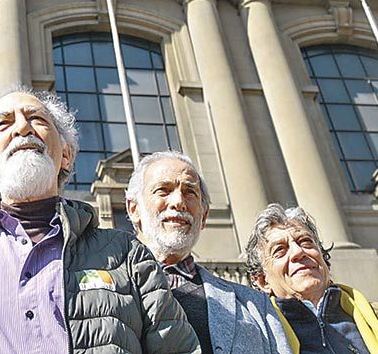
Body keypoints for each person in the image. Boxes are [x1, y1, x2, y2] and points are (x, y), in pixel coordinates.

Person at [0, 86, 199, 354]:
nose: (22, 128)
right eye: (4, 123)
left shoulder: (127, 256)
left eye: (37, 119)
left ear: (66, 154)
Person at [125, 151, 292, 354]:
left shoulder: (257, 306)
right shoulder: (96, 294)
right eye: (163, 190)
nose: (178, 202)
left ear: (203, 216)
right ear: (133, 209)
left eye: (190, 192)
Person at [245, 204, 378, 354]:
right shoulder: (255, 337)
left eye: (305, 242)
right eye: (280, 250)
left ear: (323, 260)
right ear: (263, 281)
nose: (298, 252)